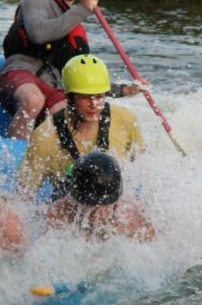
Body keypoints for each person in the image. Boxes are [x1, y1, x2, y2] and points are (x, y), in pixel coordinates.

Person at [0, 0, 139, 138]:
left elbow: (83, 78)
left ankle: (66, 162)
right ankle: (13, 158)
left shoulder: (75, 25)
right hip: (21, 75)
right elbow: (38, 33)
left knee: (69, 114)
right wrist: (82, 9)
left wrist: (124, 89)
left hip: (53, 86)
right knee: (33, 99)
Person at [17, 53, 144, 199]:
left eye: (99, 96)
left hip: (113, 205)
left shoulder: (126, 120)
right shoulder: (45, 136)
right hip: (68, 206)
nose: (94, 104)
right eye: (85, 97)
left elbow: (142, 168)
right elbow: (24, 194)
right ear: (69, 97)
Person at [46, 152, 154, 242]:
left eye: (102, 205)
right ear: (75, 200)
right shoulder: (59, 213)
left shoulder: (129, 218)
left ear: (114, 202)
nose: (95, 213)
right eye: (89, 205)